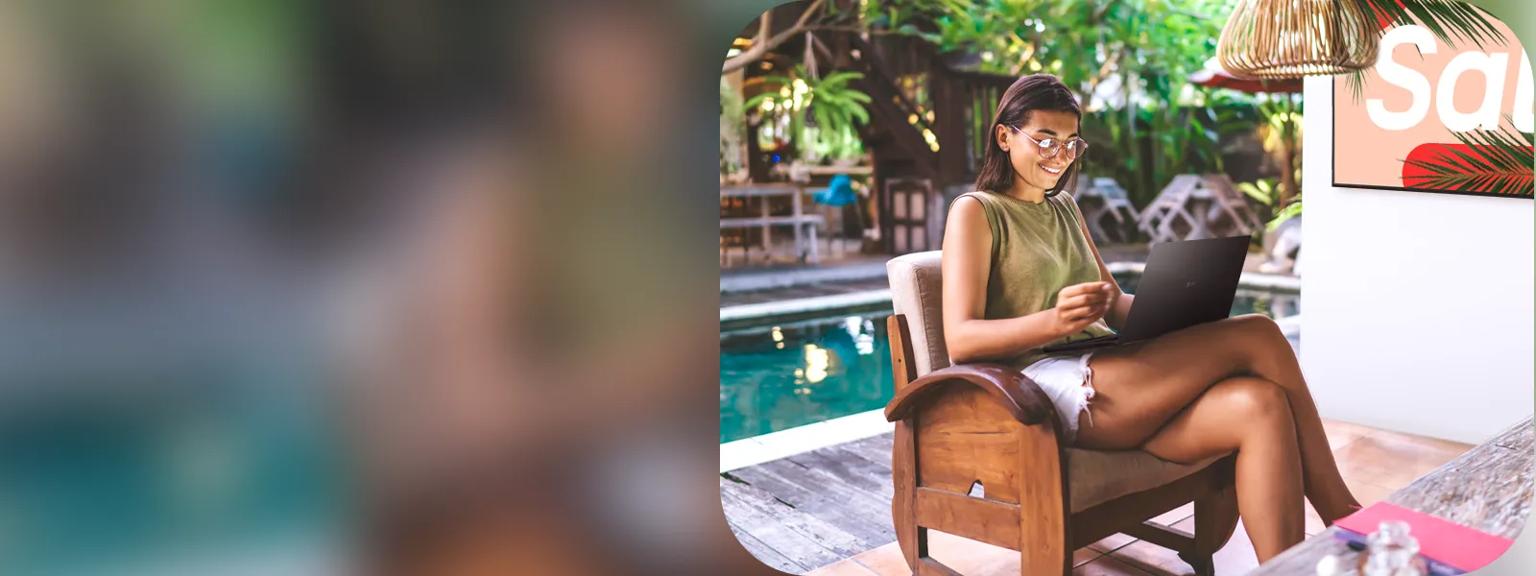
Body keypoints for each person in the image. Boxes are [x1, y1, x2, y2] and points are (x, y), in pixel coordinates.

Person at [939, 73, 1360, 563]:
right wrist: (1053, 322)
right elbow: (960, 340)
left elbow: (1114, 303)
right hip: (1045, 383)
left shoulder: (1065, 209)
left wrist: (1181, 310)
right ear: (1004, 136)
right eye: (1045, 140)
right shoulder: (977, 211)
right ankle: (1344, 513)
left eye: (1071, 143)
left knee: (1259, 404)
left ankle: (1285, 570)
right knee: (1260, 333)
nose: (1060, 155)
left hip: (1108, 368)